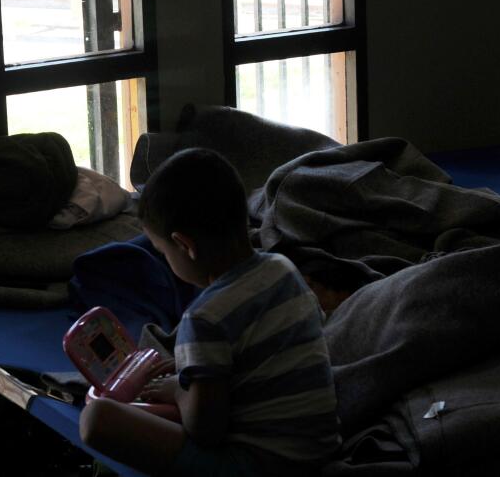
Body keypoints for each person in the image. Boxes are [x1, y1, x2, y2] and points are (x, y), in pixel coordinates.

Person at [80, 148, 340, 476]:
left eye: (162, 251)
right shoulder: (284, 269)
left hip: (260, 465)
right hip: (321, 449)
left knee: (97, 418)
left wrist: (178, 388)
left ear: (185, 245)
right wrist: (199, 369)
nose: (165, 260)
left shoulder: (203, 317)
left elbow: (205, 429)